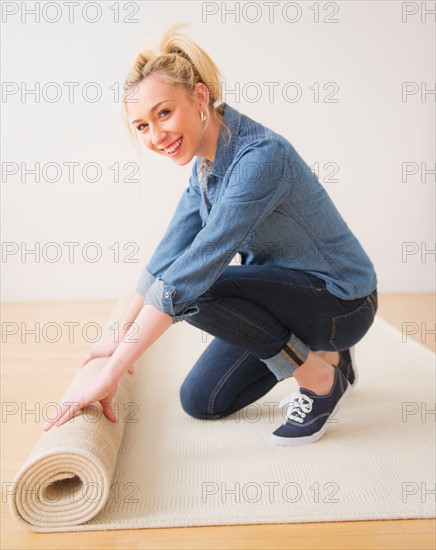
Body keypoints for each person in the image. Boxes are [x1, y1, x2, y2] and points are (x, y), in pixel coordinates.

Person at [43, 24, 378, 446]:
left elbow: (192, 272)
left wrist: (109, 376)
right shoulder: (204, 166)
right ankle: (329, 355)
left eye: (163, 113)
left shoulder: (259, 159)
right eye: (142, 126)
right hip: (288, 300)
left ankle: (321, 380)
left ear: (200, 97)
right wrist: (116, 335)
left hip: (342, 301)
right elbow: (169, 253)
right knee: (203, 400)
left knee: (198, 288)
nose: (156, 136)